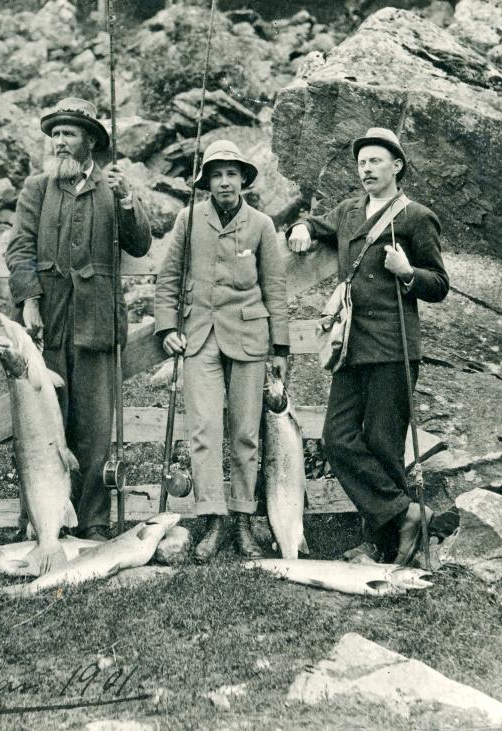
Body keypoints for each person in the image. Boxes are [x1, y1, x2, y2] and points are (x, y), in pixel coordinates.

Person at [286, 127, 448, 565]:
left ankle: (383, 546)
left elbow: (439, 285)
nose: (367, 169)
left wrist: (407, 270)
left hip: (394, 347)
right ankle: (407, 514)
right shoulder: (348, 210)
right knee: (338, 439)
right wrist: (300, 228)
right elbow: (313, 225)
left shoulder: (416, 217)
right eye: (361, 163)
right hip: (350, 347)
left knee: (382, 442)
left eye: (376, 161)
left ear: (396, 166)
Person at [5, 97, 152, 542]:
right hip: (48, 321)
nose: (61, 142)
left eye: (70, 134)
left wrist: (128, 202)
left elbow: (141, 244)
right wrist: (30, 299)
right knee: (41, 422)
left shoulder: (113, 187)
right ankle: (39, 517)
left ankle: (93, 523)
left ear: (90, 141)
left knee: (93, 428)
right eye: (56, 134)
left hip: (96, 322)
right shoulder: (37, 187)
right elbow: (19, 248)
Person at [154, 140, 290, 563]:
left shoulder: (262, 225)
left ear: (243, 180)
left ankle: (244, 519)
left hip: (249, 339)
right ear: (207, 182)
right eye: (217, 174)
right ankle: (213, 519)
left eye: (232, 173)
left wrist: (280, 347)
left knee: (247, 433)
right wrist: (167, 329)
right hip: (200, 339)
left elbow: (276, 289)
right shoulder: (188, 219)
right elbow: (168, 279)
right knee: (204, 431)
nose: (225, 181)